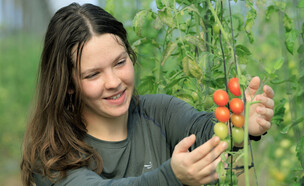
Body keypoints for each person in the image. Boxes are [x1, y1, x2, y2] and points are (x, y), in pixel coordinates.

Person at [20, 3, 275, 186]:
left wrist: (240, 124)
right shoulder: (53, 155)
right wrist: (171, 177)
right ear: (68, 84)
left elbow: (204, 129)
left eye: (120, 62)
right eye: (93, 75)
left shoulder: (158, 112)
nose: (113, 82)